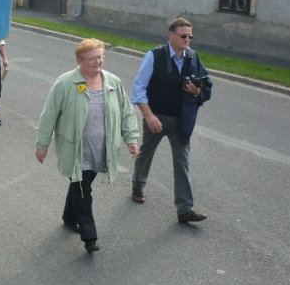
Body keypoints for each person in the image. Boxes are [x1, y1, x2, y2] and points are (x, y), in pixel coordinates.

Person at [36, 39, 139, 253]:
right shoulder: (65, 83)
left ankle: (68, 216)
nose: (98, 62)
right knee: (82, 188)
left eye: (100, 57)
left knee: (80, 184)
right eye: (92, 58)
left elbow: (126, 111)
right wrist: (42, 144)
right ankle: (89, 236)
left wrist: (131, 138)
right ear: (80, 60)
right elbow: (49, 116)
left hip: (102, 149)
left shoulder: (113, 82)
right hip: (75, 150)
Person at [130, 18, 212, 223]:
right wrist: (149, 116)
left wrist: (197, 90)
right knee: (146, 153)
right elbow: (138, 88)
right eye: (183, 36)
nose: (187, 40)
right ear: (171, 35)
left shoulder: (193, 57)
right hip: (156, 117)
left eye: (190, 36)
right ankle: (138, 185)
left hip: (181, 120)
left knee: (182, 162)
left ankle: (185, 209)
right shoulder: (154, 56)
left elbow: (207, 86)